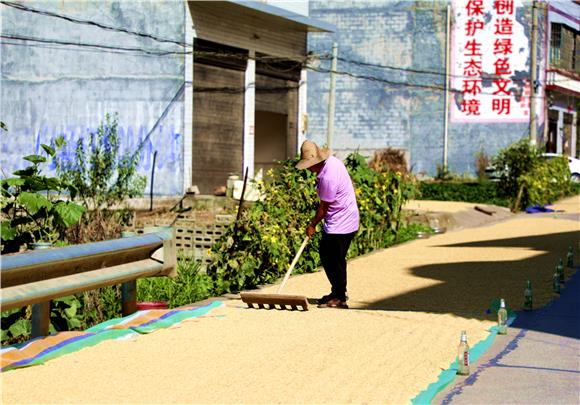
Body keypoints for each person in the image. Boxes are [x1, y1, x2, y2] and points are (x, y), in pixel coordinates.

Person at [296, 140, 359, 309]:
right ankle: (337, 292)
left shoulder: (327, 177)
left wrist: (312, 224)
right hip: (346, 218)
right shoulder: (333, 162)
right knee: (332, 257)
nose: (308, 169)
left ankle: (339, 297)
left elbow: (324, 206)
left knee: (332, 259)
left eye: (309, 166)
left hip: (341, 222)